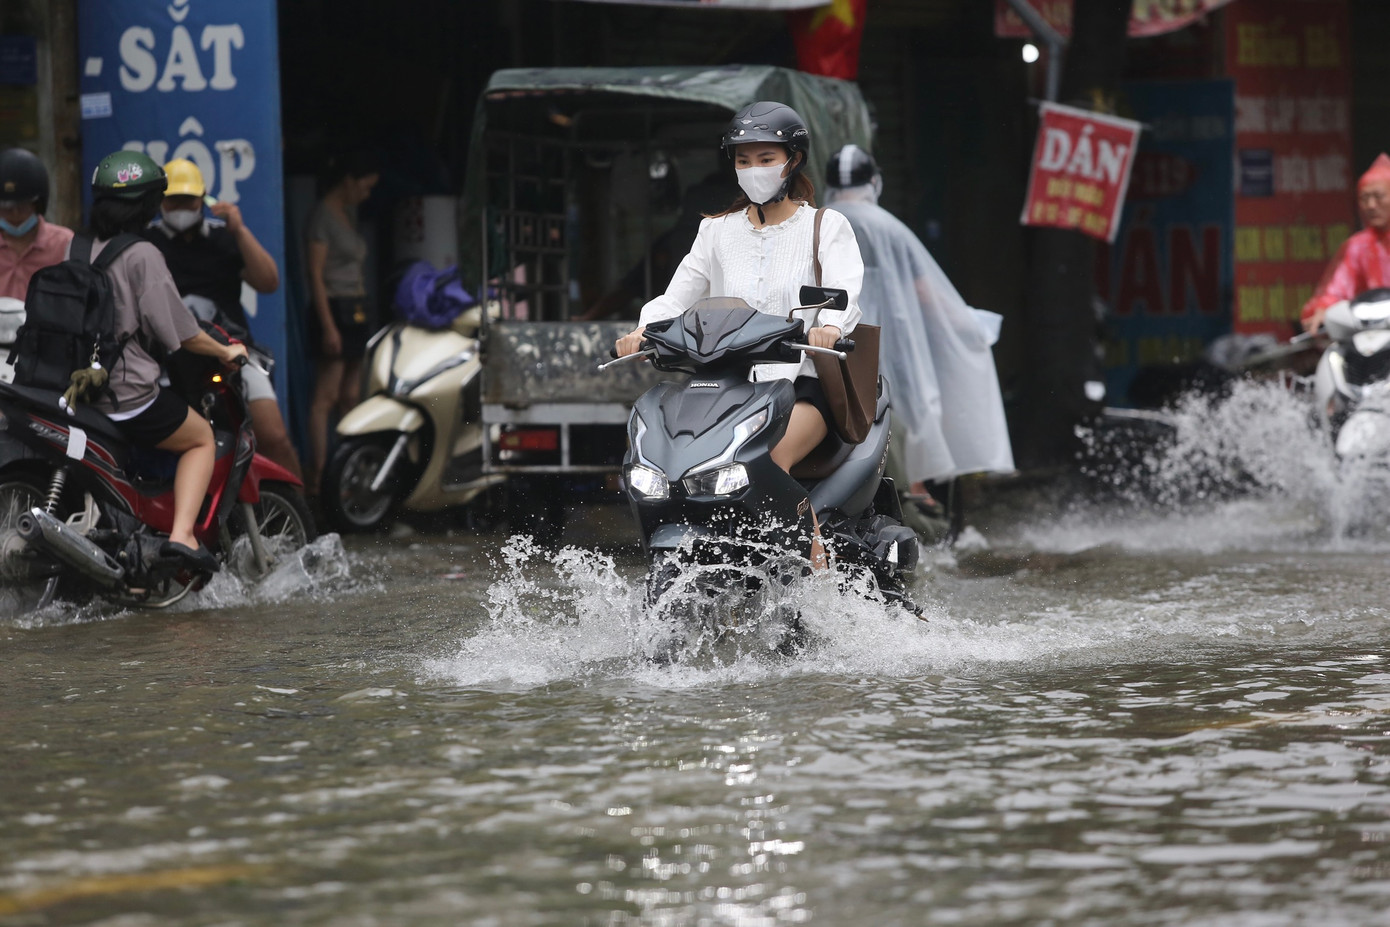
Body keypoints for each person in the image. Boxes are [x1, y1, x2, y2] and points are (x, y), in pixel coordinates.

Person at [614, 102, 863, 569]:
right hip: (727, 388)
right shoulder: (715, 232)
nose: (753, 170)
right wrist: (643, 331)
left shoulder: (825, 226)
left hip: (800, 384)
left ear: (793, 160)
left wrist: (830, 327)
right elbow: (678, 295)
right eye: (743, 160)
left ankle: (821, 585)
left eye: (766, 159)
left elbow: (843, 290)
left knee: (767, 461)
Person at [823, 145, 1014, 515]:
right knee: (905, 407)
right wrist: (970, 326)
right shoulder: (889, 228)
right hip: (890, 339)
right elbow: (926, 294)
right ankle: (914, 494)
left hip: (832, 336)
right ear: (874, 181)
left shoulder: (819, 222)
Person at [86, 150, 248, 571]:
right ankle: (182, 535)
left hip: (76, 389)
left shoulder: (77, 246)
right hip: (124, 394)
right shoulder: (142, 254)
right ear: (148, 204)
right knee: (201, 439)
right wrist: (226, 350)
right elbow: (181, 332)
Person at [144, 159, 303, 481]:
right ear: (160, 202)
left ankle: (302, 515)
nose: (181, 208)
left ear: (203, 199)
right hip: (169, 361)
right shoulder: (146, 245)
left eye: (188, 201)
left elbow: (269, 282)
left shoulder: (224, 238)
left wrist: (240, 230)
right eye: (173, 201)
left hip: (232, 353)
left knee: (274, 437)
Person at [303, 152, 380, 496]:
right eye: (364, 187)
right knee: (327, 396)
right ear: (349, 180)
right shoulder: (322, 216)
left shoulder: (349, 213)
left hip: (356, 308)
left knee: (351, 395)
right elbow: (315, 275)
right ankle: (319, 475)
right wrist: (329, 326)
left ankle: (348, 471)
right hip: (333, 307)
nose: (366, 194)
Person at [1302, 153, 1390, 333]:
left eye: (1379, 196)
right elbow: (1338, 289)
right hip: (1372, 337)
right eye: (1364, 198)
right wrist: (1323, 309)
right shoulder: (1358, 246)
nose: (1371, 205)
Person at [0, 147, 74, 300]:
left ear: (38, 204)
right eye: (6, 208)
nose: (15, 215)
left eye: (22, 207)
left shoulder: (63, 243)